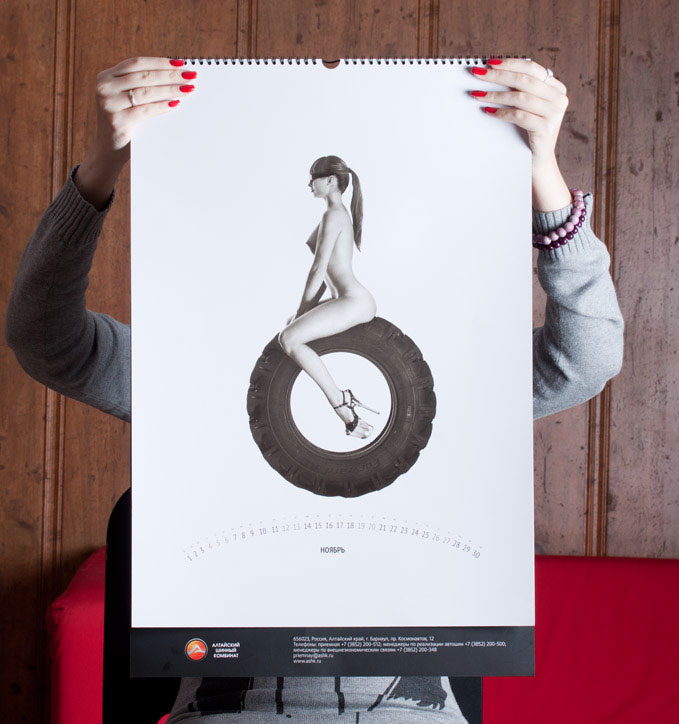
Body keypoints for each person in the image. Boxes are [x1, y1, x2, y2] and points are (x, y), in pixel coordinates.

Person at [5, 56, 624, 724]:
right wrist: (100, 169)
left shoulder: (447, 380)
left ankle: (346, 405)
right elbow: (45, 338)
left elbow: (585, 358)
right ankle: (343, 403)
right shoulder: (192, 374)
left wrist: (542, 178)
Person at [278, 155, 379, 439]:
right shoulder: (335, 214)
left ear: (331, 181)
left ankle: (341, 403)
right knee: (291, 330)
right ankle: (342, 401)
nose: (309, 184)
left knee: (289, 338)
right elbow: (324, 272)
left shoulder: (333, 215)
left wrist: (302, 312)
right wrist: (302, 312)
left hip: (353, 301)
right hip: (347, 300)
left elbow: (318, 269)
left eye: (314, 178)